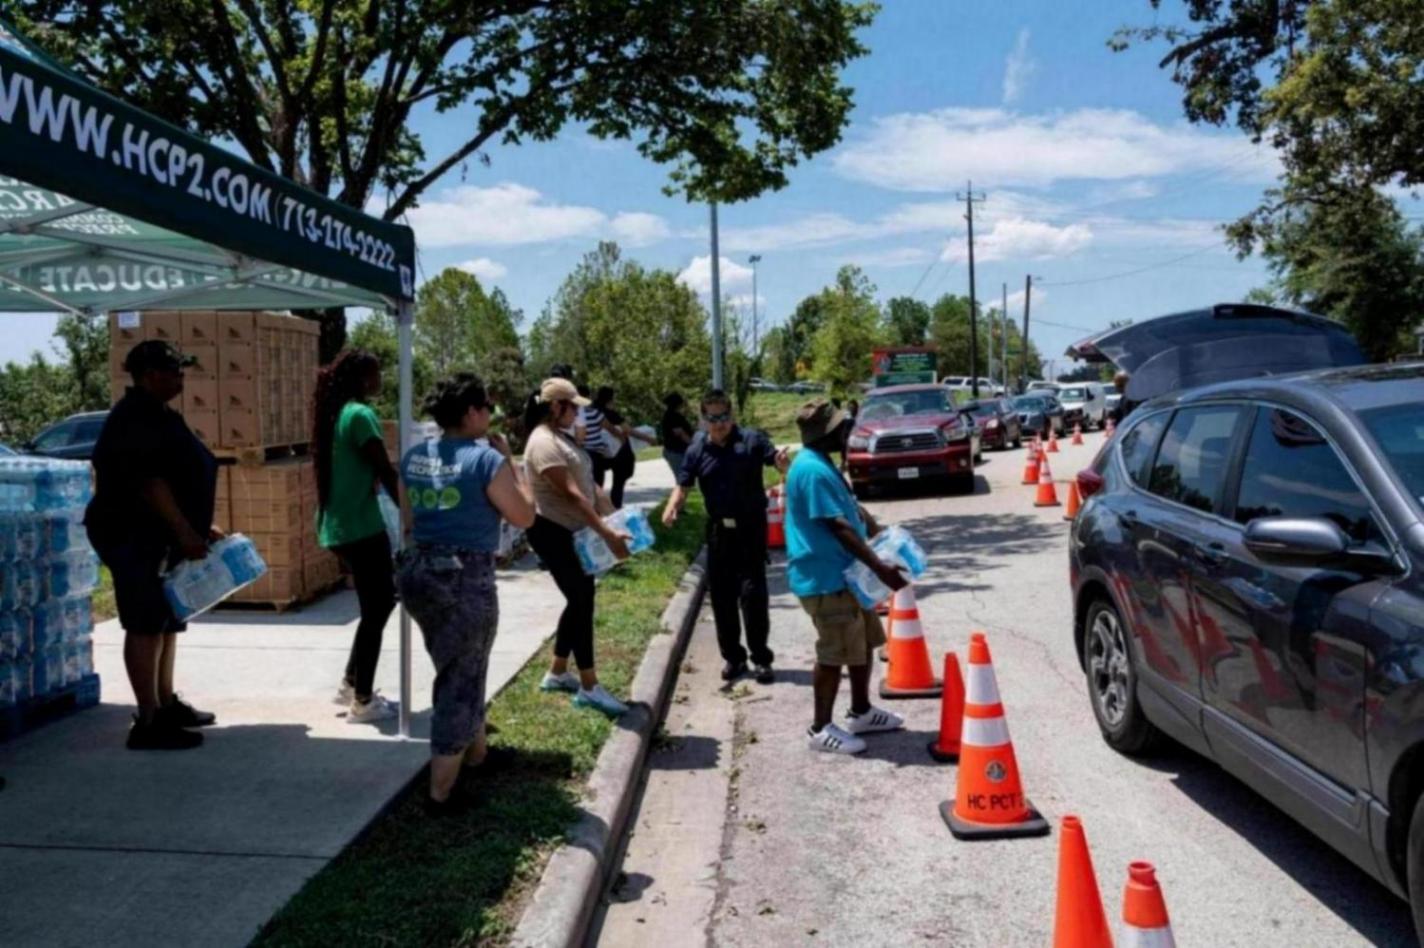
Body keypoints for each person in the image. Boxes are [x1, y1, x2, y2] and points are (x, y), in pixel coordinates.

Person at [398, 374, 535, 814]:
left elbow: (407, 519)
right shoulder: (485, 460)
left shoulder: (416, 456)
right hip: (464, 575)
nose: (490, 415)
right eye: (487, 407)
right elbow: (524, 514)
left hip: (419, 571)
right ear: (473, 413)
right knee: (459, 679)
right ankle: (441, 795)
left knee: (460, 664)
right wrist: (510, 461)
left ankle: (477, 755)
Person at [86, 341, 221, 750]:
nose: (181, 378)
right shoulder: (135, 417)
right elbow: (151, 483)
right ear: (148, 375)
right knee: (145, 622)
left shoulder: (160, 413)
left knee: (166, 618)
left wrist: (199, 525)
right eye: (173, 371)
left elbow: (179, 474)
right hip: (133, 534)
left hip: (159, 533)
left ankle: (165, 703)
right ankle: (147, 722)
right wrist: (184, 531)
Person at [784, 399, 908, 755]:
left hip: (844, 576)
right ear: (826, 432)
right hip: (825, 579)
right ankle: (820, 728)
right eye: (841, 427)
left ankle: (861, 711)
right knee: (833, 652)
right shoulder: (811, 470)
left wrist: (873, 527)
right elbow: (837, 526)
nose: (847, 431)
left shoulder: (822, 464)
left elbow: (846, 510)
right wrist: (880, 567)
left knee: (864, 641)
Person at [523, 378, 632, 716]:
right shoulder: (542, 443)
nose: (578, 413)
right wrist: (607, 533)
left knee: (580, 598)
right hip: (552, 531)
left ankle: (557, 672)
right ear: (556, 406)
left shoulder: (561, 438)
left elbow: (590, 484)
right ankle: (589, 686)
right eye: (573, 407)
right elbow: (571, 492)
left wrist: (616, 520)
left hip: (572, 531)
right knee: (581, 600)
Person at [663, 390, 788, 683]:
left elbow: (775, 459)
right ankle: (734, 657)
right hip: (719, 531)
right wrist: (672, 507)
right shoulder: (697, 449)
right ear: (703, 419)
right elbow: (683, 485)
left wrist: (782, 464)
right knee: (722, 597)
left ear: (732, 414)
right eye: (712, 417)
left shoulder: (751, 440)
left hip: (751, 529)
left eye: (723, 416)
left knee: (752, 594)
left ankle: (761, 659)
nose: (719, 423)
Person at [313, 349, 401, 724]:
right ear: (363, 378)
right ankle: (362, 700)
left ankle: (351, 682)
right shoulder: (361, 415)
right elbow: (386, 469)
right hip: (362, 526)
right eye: (376, 372)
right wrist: (413, 518)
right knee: (378, 607)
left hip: (338, 526)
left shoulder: (337, 415)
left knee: (376, 607)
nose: (380, 379)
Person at [591, 386, 657, 509]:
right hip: (617, 453)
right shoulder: (609, 413)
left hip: (596, 452)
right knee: (618, 483)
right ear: (610, 399)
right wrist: (648, 438)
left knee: (597, 484)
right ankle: (615, 508)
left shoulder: (589, 410)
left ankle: (596, 511)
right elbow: (628, 430)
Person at [660, 392, 694, 477]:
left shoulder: (671, 415)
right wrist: (693, 445)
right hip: (675, 451)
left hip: (676, 450)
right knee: (682, 478)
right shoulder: (672, 416)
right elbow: (679, 432)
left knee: (685, 477)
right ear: (678, 404)